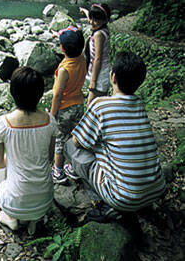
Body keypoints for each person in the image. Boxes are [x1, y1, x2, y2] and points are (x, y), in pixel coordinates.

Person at [64, 51, 166, 221]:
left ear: (113, 76)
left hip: (123, 199)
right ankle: (139, 203)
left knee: (69, 146)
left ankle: (103, 203)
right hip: (155, 190)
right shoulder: (139, 104)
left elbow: (77, 141)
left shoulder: (101, 105)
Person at [0, 66, 58, 235]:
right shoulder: (50, 121)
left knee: (2, 171)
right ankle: (34, 221)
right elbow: (49, 157)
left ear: (13, 92)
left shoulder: (3, 124)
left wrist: (13, 157)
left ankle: (10, 218)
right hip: (44, 201)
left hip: (14, 203)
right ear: (40, 93)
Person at [50, 28, 86, 184]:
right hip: (79, 104)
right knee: (74, 137)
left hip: (65, 108)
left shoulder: (65, 70)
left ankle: (58, 171)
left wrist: (53, 114)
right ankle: (72, 167)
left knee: (61, 140)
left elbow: (58, 95)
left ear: (62, 48)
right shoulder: (82, 58)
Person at [80, 3, 111, 106]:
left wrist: (93, 81)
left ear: (104, 20)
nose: (92, 22)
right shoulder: (103, 28)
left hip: (99, 75)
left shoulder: (99, 35)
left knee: (91, 106)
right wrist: (84, 10)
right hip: (102, 71)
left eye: (96, 20)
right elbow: (90, 15)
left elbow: (98, 59)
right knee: (100, 104)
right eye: (91, 19)